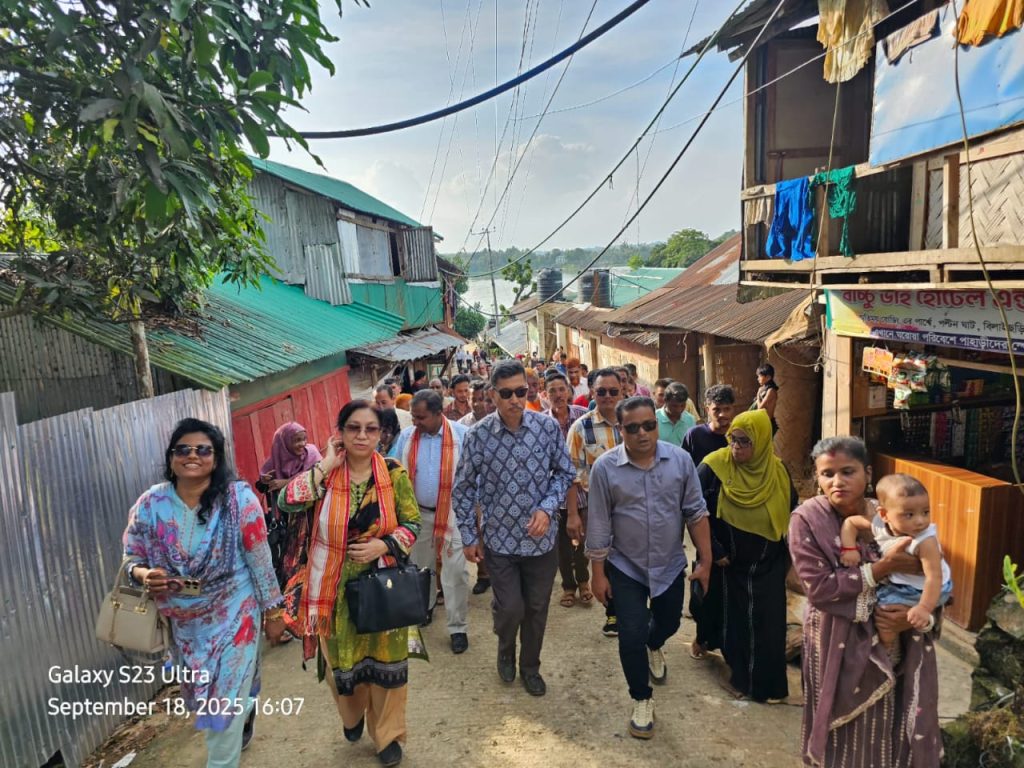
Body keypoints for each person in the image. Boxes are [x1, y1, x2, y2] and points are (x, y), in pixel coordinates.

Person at [123, 418, 286, 767]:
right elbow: (131, 557)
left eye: (203, 450)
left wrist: (274, 612)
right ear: (171, 458)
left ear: (216, 457)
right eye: (183, 449)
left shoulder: (238, 499)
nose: (192, 456)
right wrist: (144, 574)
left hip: (235, 613)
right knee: (210, 699)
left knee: (220, 711)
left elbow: (260, 559)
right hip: (185, 627)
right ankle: (245, 707)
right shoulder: (151, 504)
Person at [279, 401, 421, 767]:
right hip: (333, 588)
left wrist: (384, 545)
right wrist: (327, 463)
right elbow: (287, 501)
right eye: (353, 428)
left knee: (388, 664)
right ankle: (352, 715)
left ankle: (388, 736)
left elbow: (412, 523)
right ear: (340, 433)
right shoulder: (324, 477)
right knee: (343, 665)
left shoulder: (393, 473)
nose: (362, 435)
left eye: (370, 429)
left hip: (383, 584)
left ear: (380, 434)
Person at [790, 436, 941, 767]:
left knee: (892, 726)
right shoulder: (807, 520)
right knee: (842, 737)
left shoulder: (896, 512)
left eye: (848, 471)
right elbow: (820, 588)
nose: (837, 481)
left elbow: (934, 579)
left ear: (868, 473)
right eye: (827, 473)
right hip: (835, 642)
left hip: (903, 639)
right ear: (817, 477)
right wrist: (881, 568)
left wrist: (918, 617)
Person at [587, 397, 713, 739]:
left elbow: (696, 512)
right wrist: (597, 573)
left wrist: (705, 560)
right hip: (625, 566)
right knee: (630, 634)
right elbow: (598, 523)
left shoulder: (680, 461)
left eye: (649, 425)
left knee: (669, 622)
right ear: (620, 430)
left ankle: (654, 644)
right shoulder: (605, 468)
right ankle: (641, 698)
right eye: (633, 428)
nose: (642, 433)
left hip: (668, 563)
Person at [452, 360, 576, 696]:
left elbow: (565, 472)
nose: (515, 400)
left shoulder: (546, 428)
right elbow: (462, 488)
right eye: (506, 394)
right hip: (500, 541)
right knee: (510, 609)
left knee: (536, 609)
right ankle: (505, 648)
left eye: (521, 391)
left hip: (541, 542)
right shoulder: (478, 435)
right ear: (493, 395)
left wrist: (547, 508)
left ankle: (530, 667)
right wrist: (469, 536)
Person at [694, 410, 794, 702]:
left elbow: (791, 506)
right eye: (733, 439)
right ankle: (740, 678)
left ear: (761, 442)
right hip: (729, 564)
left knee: (769, 625)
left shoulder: (777, 471)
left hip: (768, 563)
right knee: (735, 621)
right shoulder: (714, 467)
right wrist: (713, 549)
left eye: (744, 441)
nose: (736, 447)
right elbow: (694, 510)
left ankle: (769, 688)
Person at [390, 390, 471, 654]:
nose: (415, 422)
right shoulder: (407, 437)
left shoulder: (462, 435)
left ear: (438, 413)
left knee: (456, 572)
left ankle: (457, 628)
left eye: (421, 417)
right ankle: (425, 608)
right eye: (413, 416)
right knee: (419, 567)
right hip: (418, 514)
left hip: (453, 515)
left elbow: (475, 477)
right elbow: (394, 471)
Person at [838, 473, 953, 656]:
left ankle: (886, 651)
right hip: (905, 583)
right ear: (884, 515)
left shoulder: (925, 541)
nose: (920, 521)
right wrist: (849, 548)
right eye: (909, 514)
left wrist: (924, 608)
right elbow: (850, 523)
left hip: (927, 589)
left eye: (925, 512)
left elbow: (934, 577)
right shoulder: (879, 524)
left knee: (885, 614)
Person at [565, 368, 624, 637]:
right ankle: (613, 612)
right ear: (592, 392)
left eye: (613, 391)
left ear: (622, 391)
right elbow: (570, 475)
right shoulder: (581, 428)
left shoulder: (634, 422)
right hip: (598, 507)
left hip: (633, 504)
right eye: (601, 391)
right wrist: (573, 514)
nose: (607, 396)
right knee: (605, 559)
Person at [543, 371, 591, 608]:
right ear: (546, 395)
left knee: (583, 540)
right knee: (561, 545)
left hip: (584, 491)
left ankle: (584, 582)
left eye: (562, 389)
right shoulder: (542, 423)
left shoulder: (583, 417)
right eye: (552, 391)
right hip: (555, 494)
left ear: (569, 391)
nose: (558, 395)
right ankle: (568, 586)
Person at [255, 422, 322, 588]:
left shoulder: (312, 455)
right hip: (287, 524)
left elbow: (315, 477)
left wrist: (285, 482)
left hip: (313, 518)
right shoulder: (277, 460)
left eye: (304, 439)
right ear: (284, 443)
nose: (302, 444)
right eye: (296, 440)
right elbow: (262, 486)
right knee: (293, 567)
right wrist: (265, 481)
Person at [681, 384, 735, 466]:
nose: (722, 414)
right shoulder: (694, 435)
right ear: (707, 410)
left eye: (727, 409)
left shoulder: (739, 435)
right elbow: (683, 465)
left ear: (732, 409)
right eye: (716, 410)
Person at [656, 381, 696, 447]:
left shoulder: (690, 420)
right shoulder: (654, 418)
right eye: (674, 406)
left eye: (682, 405)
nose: (679, 410)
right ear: (665, 401)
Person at [751, 363, 779, 435]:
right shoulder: (763, 389)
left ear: (768, 377)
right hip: (762, 422)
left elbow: (760, 408)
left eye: (760, 376)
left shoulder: (771, 391)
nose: (758, 379)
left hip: (767, 423)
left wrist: (758, 395)